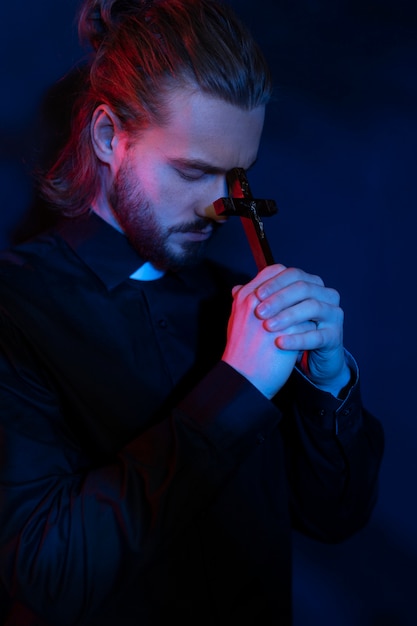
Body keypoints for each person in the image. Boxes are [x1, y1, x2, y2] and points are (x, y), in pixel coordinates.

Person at [0, 1, 384, 624]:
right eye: (192, 171)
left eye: (238, 177)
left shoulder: (240, 301)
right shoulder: (15, 313)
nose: (219, 205)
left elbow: (335, 517)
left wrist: (328, 383)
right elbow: (49, 575)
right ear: (107, 138)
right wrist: (238, 387)